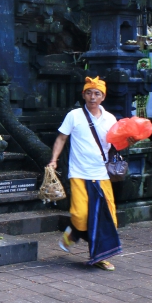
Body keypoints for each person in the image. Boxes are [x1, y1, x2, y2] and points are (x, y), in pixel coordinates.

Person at [48, 77, 123, 270]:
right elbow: (61, 138)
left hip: (102, 174)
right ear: (83, 95)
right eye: (89, 93)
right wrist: (54, 160)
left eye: (97, 93)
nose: (92, 97)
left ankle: (100, 257)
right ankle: (74, 231)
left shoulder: (110, 119)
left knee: (109, 219)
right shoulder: (74, 115)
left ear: (103, 97)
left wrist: (130, 140)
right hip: (79, 173)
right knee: (80, 216)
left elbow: (117, 145)